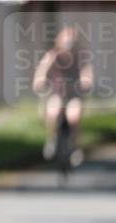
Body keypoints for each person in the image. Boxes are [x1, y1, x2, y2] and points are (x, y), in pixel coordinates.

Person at [33, 26, 93, 165]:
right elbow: (42, 70)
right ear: (59, 42)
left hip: (74, 95)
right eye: (66, 43)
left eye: (71, 43)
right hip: (57, 94)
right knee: (53, 112)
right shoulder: (53, 55)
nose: (69, 46)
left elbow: (87, 71)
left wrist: (86, 80)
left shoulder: (80, 56)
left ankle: (75, 146)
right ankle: (52, 139)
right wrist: (39, 80)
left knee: (74, 116)